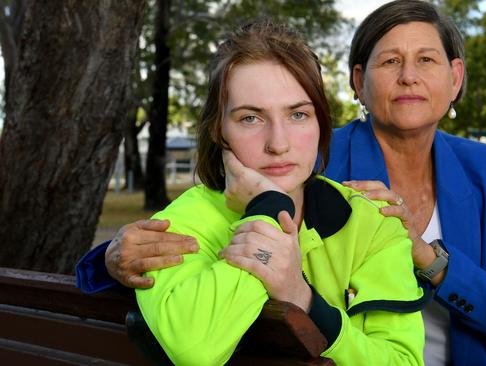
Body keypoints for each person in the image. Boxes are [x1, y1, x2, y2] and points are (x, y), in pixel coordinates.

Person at [77, 1, 486, 365]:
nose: (409, 77)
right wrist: (112, 258)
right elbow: (208, 215)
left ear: (455, 77)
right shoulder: (312, 161)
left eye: (427, 59)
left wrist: (427, 257)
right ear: (357, 82)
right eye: (389, 62)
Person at [89, 21, 426, 365]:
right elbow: (194, 352)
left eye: (298, 114)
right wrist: (268, 208)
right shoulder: (179, 224)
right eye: (251, 118)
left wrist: (302, 297)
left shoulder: (372, 222)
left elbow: (403, 360)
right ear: (219, 131)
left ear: (321, 123)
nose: (278, 144)